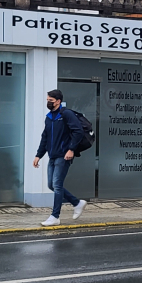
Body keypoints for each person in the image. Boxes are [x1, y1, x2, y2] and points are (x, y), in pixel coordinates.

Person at [33, 89, 87, 227]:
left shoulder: (66, 114)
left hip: (64, 155)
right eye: (47, 100)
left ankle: (55, 216)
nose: (48, 103)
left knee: (57, 185)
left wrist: (71, 149)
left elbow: (78, 131)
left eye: (50, 101)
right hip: (52, 155)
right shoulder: (49, 117)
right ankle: (76, 202)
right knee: (51, 185)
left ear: (58, 101)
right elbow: (45, 137)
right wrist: (38, 155)